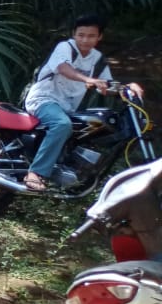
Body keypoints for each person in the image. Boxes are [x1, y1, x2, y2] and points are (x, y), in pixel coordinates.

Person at [22, 14, 143, 191]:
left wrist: (128, 88)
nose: (85, 39)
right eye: (81, 35)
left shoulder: (98, 59)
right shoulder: (65, 47)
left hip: (68, 108)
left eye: (91, 35)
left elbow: (106, 86)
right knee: (62, 124)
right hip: (43, 99)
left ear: (99, 37)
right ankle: (36, 173)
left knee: (88, 129)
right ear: (74, 34)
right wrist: (88, 79)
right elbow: (63, 68)